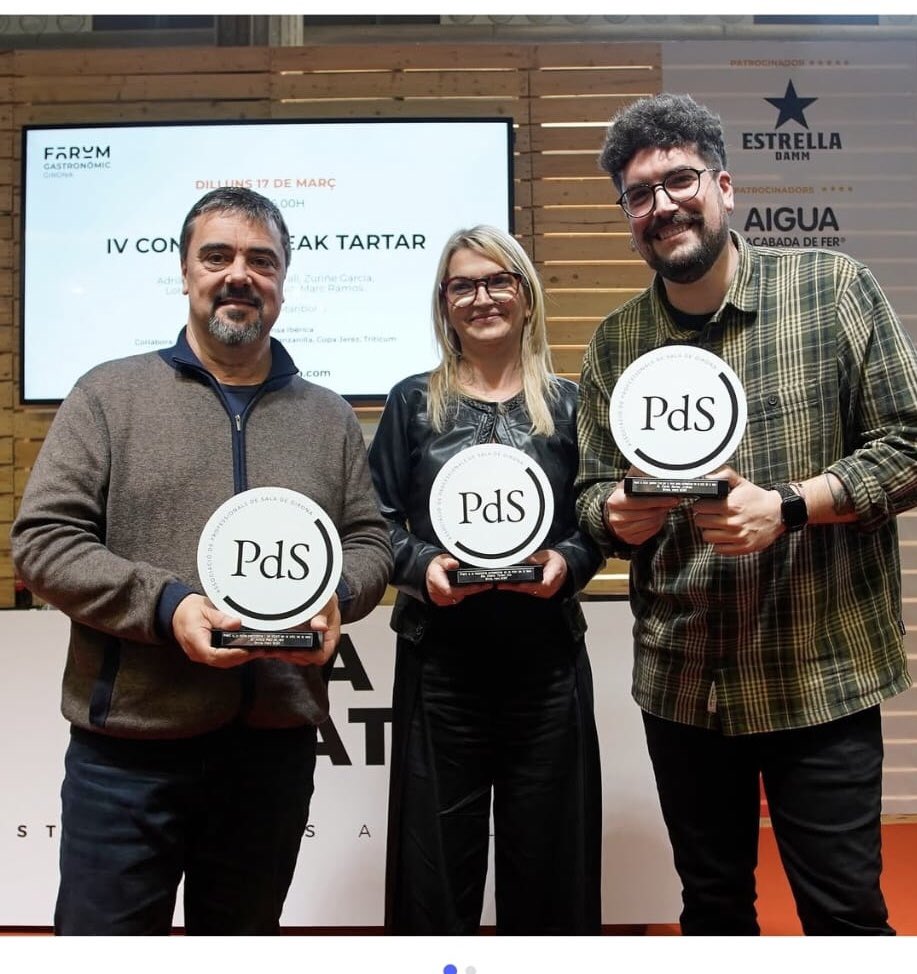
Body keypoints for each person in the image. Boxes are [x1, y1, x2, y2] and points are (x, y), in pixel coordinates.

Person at [574, 92, 917, 936]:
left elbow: (908, 443)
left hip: (819, 674)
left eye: (679, 179)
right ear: (626, 218)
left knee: (843, 915)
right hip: (685, 686)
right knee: (714, 910)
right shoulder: (615, 345)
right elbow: (586, 496)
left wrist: (791, 507)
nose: (662, 205)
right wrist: (619, 513)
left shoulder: (831, 288)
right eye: (639, 195)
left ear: (724, 185)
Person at [10, 186, 393, 935]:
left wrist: (337, 591)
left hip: (269, 755)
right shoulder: (108, 396)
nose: (238, 275)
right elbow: (45, 539)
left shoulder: (329, 417)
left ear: (283, 281)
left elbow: (370, 540)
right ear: (185, 273)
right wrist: (168, 605)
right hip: (127, 756)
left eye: (261, 260)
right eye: (216, 256)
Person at [368, 226, 603, 935]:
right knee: (433, 868)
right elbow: (373, 521)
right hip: (441, 664)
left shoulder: (569, 405)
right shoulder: (411, 404)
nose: (481, 298)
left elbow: (597, 517)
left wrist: (569, 562)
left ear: (526, 296)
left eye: (497, 280)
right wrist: (420, 566)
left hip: (546, 663)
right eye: (462, 285)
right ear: (444, 304)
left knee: (550, 862)